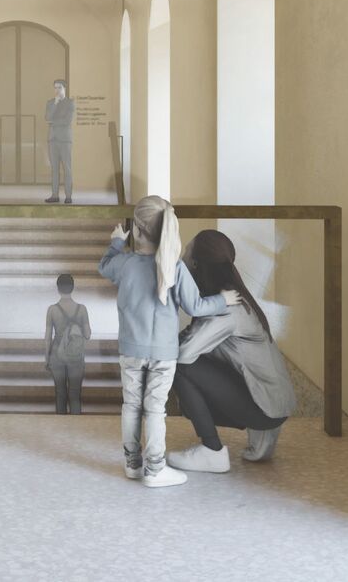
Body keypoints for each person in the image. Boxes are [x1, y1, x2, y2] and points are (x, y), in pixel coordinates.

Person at [99, 195, 239, 487]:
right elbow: (196, 306)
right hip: (164, 354)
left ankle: (133, 464)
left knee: (131, 406)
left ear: (137, 231)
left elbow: (104, 266)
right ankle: (155, 469)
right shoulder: (175, 268)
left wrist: (116, 242)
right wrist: (223, 300)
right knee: (155, 409)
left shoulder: (124, 264)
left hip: (130, 350)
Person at [167, 229, 292, 472]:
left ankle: (212, 451)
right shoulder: (234, 296)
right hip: (276, 401)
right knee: (194, 360)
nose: (181, 259)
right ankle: (262, 431)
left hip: (266, 408)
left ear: (195, 264)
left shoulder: (226, 308)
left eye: (185, 253)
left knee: (180, 366)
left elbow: (183, 354)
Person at [44, 272, 91, 413]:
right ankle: (75, 423)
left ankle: (61, 423)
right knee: (75, 394)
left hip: (56, 355)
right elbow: (87, 335)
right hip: (75, 356)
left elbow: (47, 337)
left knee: (60, 393)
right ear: (73, 287)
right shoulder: (82, 309)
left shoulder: (52, 310)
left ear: (58, 288)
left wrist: (47, 358)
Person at [44, 78, 75, 203]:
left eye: (59, 87)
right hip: (52, 139)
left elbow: (67, 121)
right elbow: (47, 118)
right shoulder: (51, 103)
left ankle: (68, 196)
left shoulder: (70, 103)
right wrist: (55, 104)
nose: (57, 90)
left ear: (64, 88)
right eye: (55, 88)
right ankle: (55, 195)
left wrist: (53, 122)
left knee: (67, 168)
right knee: (54, 169)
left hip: (65, 140)